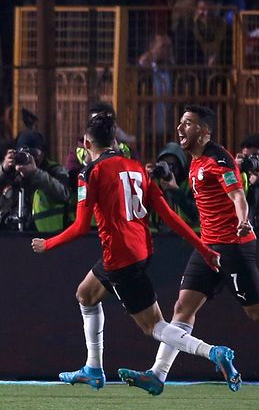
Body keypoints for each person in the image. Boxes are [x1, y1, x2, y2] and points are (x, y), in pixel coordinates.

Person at [118, 105, 259, 396]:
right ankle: (157, 375)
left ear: (204, 131)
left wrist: (243, 219)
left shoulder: (219, 159)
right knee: (182, 308)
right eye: (180, 123)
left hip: (234, 246)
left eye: (188, 124)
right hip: (209, 246)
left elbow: (237, 194)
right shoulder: (195, 162)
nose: (180, 128)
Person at [31, 113, 238, 392]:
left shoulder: (89, 173)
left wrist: (48, 244)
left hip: (120, 258)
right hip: (139, 249)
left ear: (87, 143)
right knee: (86, 294)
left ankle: (212, 352)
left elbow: (80, 227)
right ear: (114, 140)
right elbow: (168, 216)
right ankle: (93, 368)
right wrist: (203, 248)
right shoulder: (137, 167)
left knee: (153, 326)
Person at [0, 129, 69, 233]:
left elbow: (64, 194)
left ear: (42, 154)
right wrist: (3, 169)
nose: (29, 158)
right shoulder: (9, 171)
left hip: (41, 238)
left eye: (34, 153)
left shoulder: (54, 171)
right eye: (23, 154)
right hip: (5, 236)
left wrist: (35, 173)